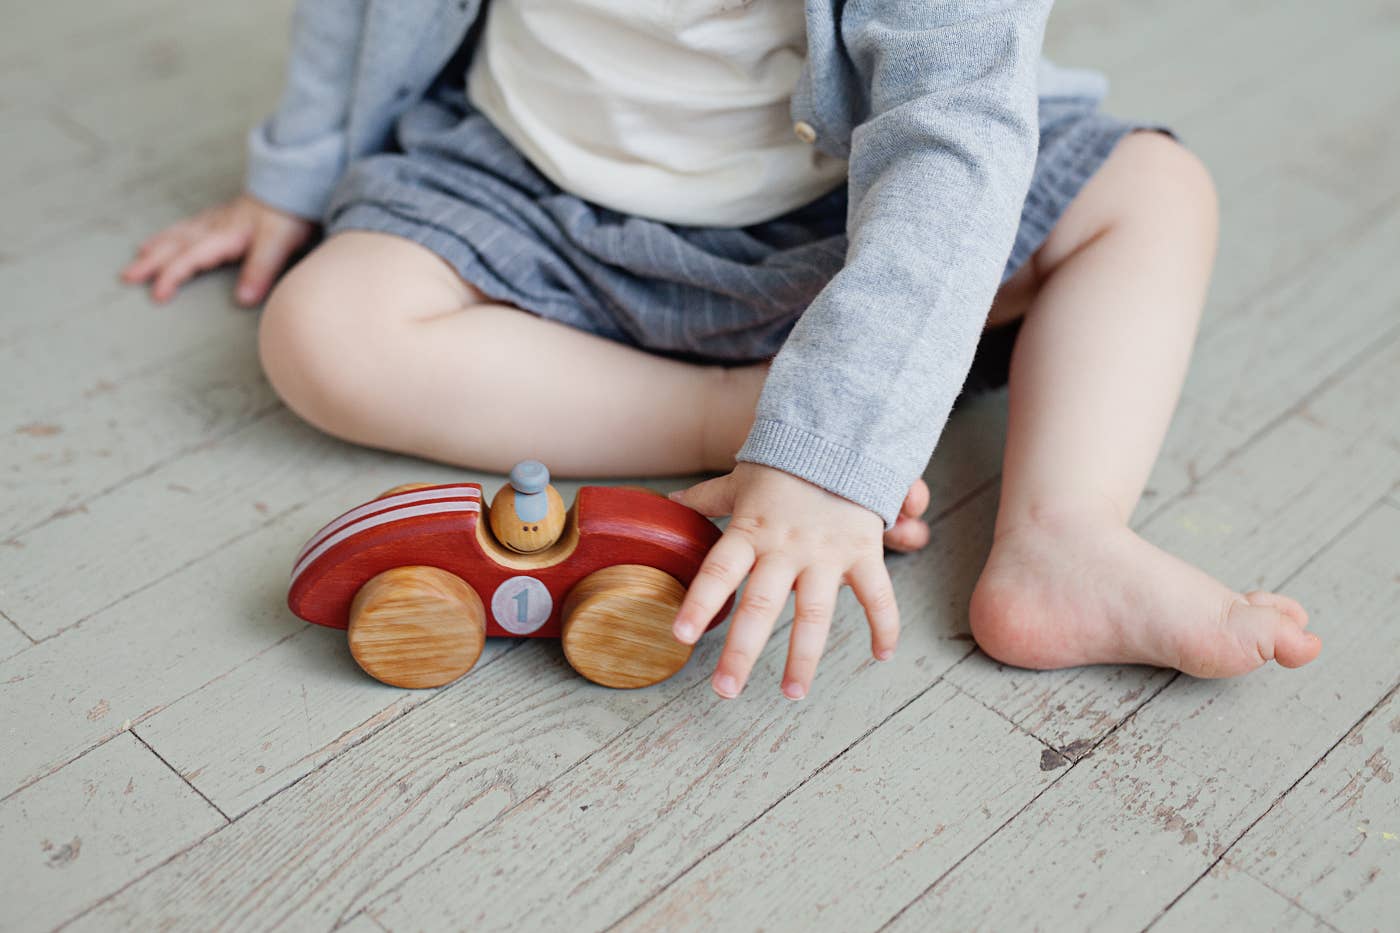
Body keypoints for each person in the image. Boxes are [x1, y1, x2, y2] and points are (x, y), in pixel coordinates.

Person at [121, 0, 1321, 702]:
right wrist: (292, 177)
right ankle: (730, 412)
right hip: (530, 193)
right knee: (322, 333)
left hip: (848, 218)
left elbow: (951, 143)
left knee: (1153, 194)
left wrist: (834, 450)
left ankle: (1064, 533)